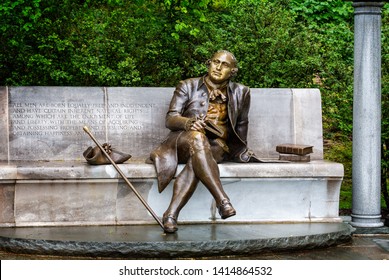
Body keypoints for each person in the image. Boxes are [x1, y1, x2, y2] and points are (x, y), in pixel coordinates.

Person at [150, 50, 260, 233]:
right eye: (215, 62)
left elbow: (241, 124)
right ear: (209, 63)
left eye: (224, 65)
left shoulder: (242, 92)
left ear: (233, 71)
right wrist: (190, 123)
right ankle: (222, 200)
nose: (218, 67)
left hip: (217, 147)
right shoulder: (187, 85)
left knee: (199, 160)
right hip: (183, 142)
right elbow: (170, 119)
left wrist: (241, 150)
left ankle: (170, 214)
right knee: (198, 138)